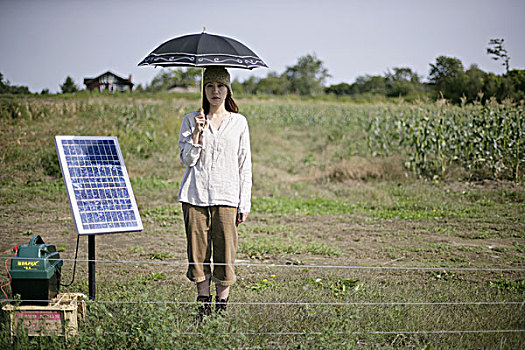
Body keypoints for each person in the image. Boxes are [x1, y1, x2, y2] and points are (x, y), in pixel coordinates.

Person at [177, 66, 252, 319]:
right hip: (195, 197)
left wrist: (244, 203)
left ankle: (221, 309)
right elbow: (187, 159)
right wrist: (197, 133)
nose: (215, 91)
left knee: (225, 254)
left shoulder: (239, 122)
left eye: (220, 86)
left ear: (228, 89)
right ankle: (203, 307)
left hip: (227, 197)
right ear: (204, 89)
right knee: (197, 254)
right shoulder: (191, 120)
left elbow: (245, 164)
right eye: (210, 86)